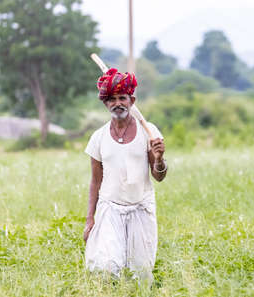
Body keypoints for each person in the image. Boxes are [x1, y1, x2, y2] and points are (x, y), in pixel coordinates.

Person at [83, 68, 167, 282]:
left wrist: (158, 159)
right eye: (112, 99)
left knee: (140, 274)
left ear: (132, 100)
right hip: (109, 209)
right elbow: (95, 181)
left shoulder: (149, 133)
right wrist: (90, 219)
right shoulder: (98, 137)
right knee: (107, 267)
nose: (117, 103)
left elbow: (159, 176)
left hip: (141, 207)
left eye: (122, 98)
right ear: (105, 103)